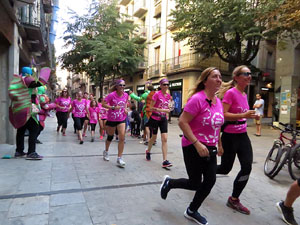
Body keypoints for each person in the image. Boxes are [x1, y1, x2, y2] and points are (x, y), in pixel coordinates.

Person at [159, 67, 223, 225]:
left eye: (220, 77)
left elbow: (218, 124)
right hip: (192, 145)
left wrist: (220, 144)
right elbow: (182, 121)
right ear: (205, 81)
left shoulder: (218, 101)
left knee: (210, 181)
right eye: (215, 76)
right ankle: (170, 183)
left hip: (211, 147)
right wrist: (196, 143)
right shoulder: (197, 99)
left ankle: (192, 210)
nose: (219, 79)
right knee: (195, 183)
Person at [216, 65, 257, 215]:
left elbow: (242, 114)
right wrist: (244, 115)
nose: (249, 76)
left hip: (243, 135)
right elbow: (224, 114)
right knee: (225, 168)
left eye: (250, 73)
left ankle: (234, 199)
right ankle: (203, 171)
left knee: (247, 167)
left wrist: (249, 116)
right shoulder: (231, 93)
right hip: (229, 136)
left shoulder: (244, 94)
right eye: (245, 74)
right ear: (236, 77)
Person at [9, 67, 51, 160]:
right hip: (28, 108)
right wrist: (45, 73)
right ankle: (31, 152)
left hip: (18, 108)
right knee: (34, 129)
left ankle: (19, 151)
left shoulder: (17, 81)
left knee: (21, 130)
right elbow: (40, 83)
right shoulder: (27, 80)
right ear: (29, 73)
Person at [145, 79, 172, 168]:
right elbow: (151, 108)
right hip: (155, 118)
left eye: (167, 84)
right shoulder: (156, 94)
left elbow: (168, 106)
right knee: (154, 137)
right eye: (164, 84)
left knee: (164, 139)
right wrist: (163, 110)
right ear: (160, 85)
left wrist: (169, 108)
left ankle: (165, 160)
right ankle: (148, 151)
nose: (166, 86)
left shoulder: (168, 96)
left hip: (163, 119)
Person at [102, 79, 129, 167]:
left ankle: (119, 158)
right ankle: (106, 151)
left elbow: (125, 103)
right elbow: (103, 104)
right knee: (110, 136)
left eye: (124, 85)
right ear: (116, 86)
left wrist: (125, 109)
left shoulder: (126, 95)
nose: (122, 87)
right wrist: (113, 107)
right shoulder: (111, 95)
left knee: (122, 137)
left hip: (121, 118)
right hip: (112, 119)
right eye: (120, 85)